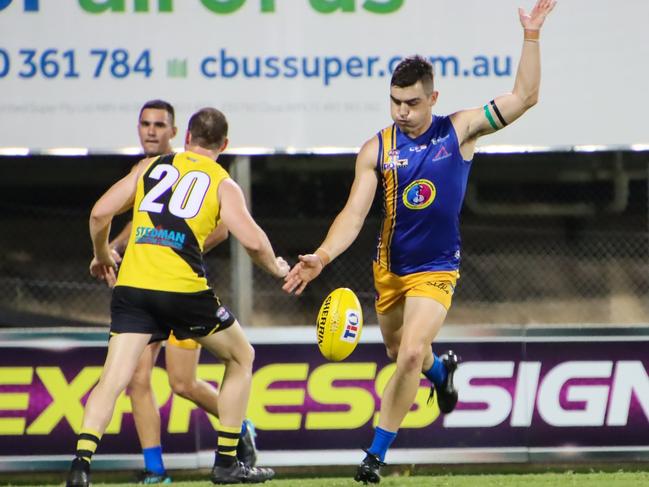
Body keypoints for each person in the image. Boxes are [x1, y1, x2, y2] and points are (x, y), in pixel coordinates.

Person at [282, 0, 556, 483]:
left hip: (437, 267)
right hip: (390, 269)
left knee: (408, 353)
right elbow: (353, 214)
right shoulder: (377, 149)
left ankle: (375, 456)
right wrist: (321, 256)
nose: (402, 111)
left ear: (432, 98)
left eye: (411, 102)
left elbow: (525, 96)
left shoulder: (460, 130)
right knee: (402, 353)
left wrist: (531, 36)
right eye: (395, 102)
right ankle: (441, 373)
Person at [66, 107, 287, 487]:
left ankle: (81, 466)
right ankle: (227, 462)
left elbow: (99, 213)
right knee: (242, 356)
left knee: (114, 378)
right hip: (182, 291)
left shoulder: (150, 167)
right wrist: (278, 269)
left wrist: (102, 256)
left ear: (185, 137)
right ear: (225, 145)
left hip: (133, 289)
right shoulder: (223, 182)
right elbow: (251, 240)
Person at [108, 100, 257, 484]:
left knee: (182, 383)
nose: (151, 131)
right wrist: (120, 249)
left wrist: (180, 248)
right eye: (145, 123)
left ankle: (238, 426)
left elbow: (224, 225)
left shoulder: (191, 169)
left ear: (178, 134)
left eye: (160, 124)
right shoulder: (145, 170)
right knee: (138, 377)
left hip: (182, 290)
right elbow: (139, 224)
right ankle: (156, 469)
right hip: (148, 289)